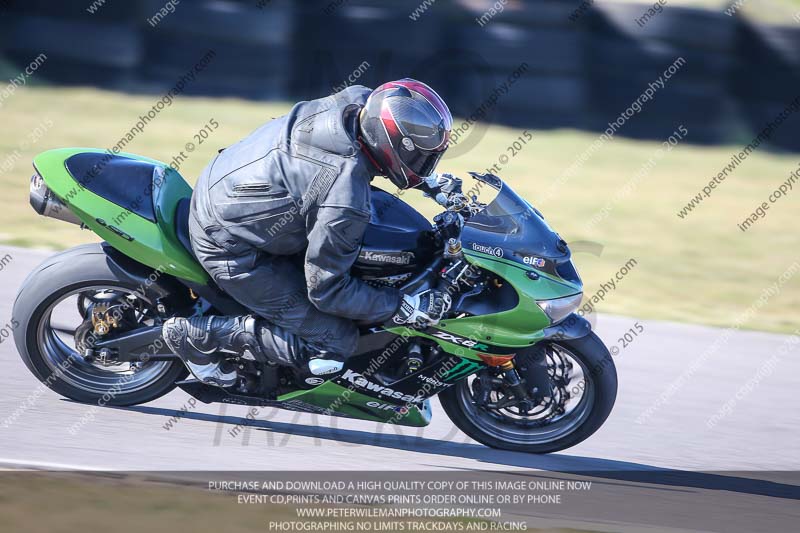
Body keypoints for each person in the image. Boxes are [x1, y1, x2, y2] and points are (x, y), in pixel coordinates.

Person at [162, 79, 455, 387]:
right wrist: (403, 306)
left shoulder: (356, 102)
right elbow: (327, 291)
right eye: (421, 157)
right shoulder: (343, 198)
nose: (424, 165)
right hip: (230, 245)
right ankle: (198, 337)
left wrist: (430, 182)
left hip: (228, 181)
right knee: (337, 340)